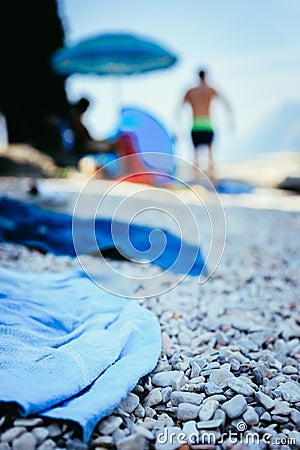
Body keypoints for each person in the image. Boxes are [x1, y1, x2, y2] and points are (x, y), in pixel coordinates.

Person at [182, 68, 233, 184]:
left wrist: (178, 127)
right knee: (211, 156)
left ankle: (197, 181)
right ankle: (213, 182)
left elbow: (180, 108)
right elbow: (226, 103)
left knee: (195, 156)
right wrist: (230, 122)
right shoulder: (211, 90)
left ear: (198, 76)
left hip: (196, 125)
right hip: (208, 125)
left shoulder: (191, 91)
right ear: (206, 76)